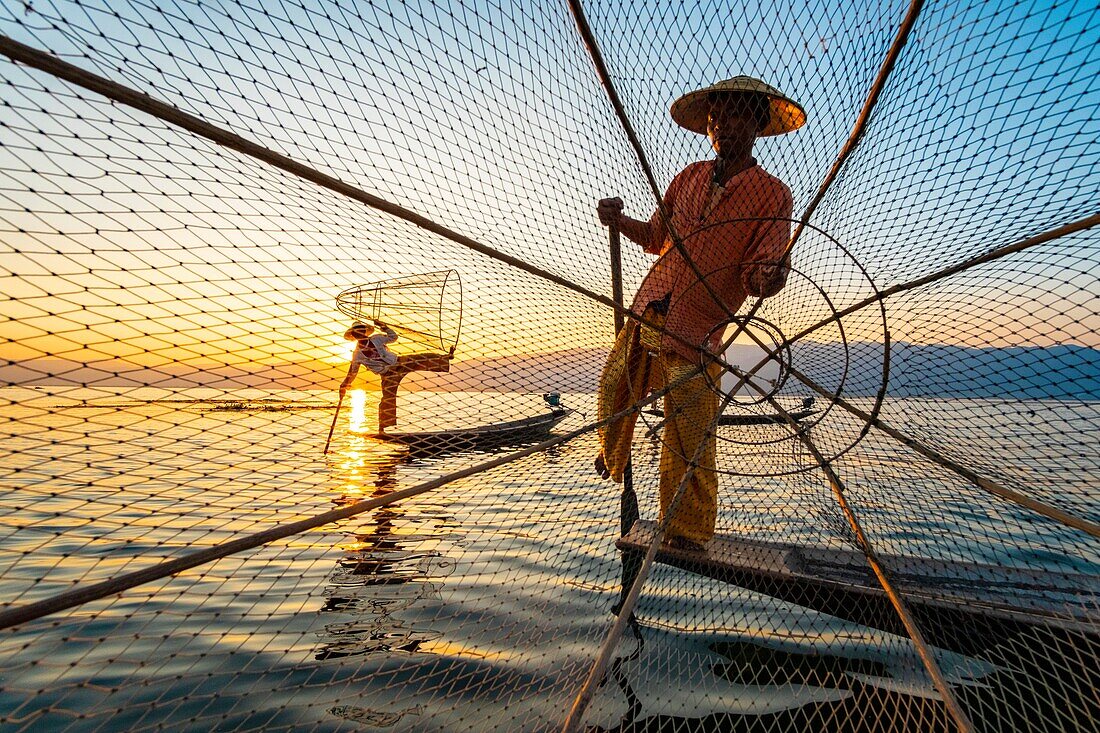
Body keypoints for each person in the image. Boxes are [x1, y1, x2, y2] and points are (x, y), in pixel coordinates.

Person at [594, 76, 805, 552]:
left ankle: (686, 531)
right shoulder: (687, 177)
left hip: (699, 331)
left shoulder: (773, 195)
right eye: (715, 117)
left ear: (754, 124)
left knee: (688, 437)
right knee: (613, 390)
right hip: (651, 309)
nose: (722, 126)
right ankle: (612, 454)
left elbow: (759, 274)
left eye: (734, 116)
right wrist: (617, 220)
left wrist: (770, 278)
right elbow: (655, 237)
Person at [339, 320, 454, 432]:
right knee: (387, 399)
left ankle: (446, 357)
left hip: (398, 363)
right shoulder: (357, 354)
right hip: (387, 374)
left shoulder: (376, 339)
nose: (360, 333)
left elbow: (393, 337)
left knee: (421, 358)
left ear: (364, 331)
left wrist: (384, 327)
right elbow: (352, 372)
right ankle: (382, 428)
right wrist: (345, 384)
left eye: (362, 330)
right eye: (357, 332)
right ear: (354, 335)